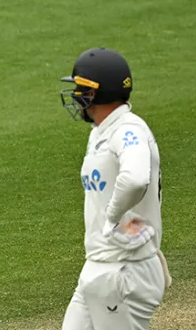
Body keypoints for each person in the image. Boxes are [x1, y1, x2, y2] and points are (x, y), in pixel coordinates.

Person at [58, 48, 170, 329]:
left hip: (125, 270)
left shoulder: (127, 130)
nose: (75, 96)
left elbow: (135, 178)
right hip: (101, 264)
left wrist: (112, 216)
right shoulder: (102, 131)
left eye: (80, 89)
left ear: (96, 93)